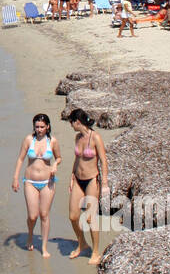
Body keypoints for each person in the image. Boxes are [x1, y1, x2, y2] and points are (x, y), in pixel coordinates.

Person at [11, 114, 62, 257]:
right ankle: (30, 234)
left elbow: (59, 157)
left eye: (42, 127)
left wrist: (55, 164)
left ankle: (44, 247)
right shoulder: (29, 139)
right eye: (37, 127)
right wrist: (15, 178)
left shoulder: (52, 141)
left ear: (48, 127)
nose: (39, 130)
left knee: (44, 214)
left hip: (48, 182)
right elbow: (21, 159)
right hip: (30, 182)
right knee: (33, 216)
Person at [67, 109, 108, 264]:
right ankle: (82, 244)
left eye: (71, 122)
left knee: (90, 218)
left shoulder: (95, 137)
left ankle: (96, 252)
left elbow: (103, 161)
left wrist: (104, 184)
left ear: (78, 122)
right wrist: (72, 176)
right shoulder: (78, 137)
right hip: (78, 179)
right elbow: (77, 159)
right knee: (73, 216)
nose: (71, 126)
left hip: (92, 180)